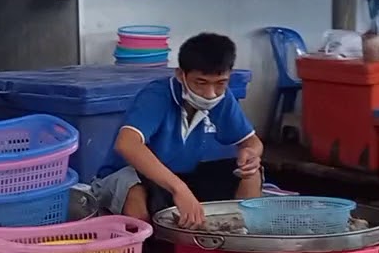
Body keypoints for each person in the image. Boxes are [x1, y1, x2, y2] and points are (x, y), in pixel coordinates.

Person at [91, 32, 263, 228]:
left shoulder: (222, 99)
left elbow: (252, 142)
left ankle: (240, 238)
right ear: (181, 75)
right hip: (129, 177)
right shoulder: (157, 95)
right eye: (200, 83)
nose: (210, 93)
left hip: (183, 177)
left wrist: (251, 154)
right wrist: (179, 189)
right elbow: (127, 144)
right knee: (132, 189)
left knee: (251, 172)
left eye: (221, 83)